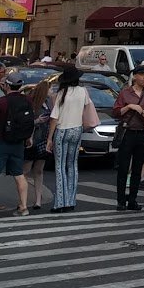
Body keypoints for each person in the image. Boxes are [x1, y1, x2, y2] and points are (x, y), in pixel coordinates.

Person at [46, 66, 95, 212]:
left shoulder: (61, 94)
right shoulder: (83, 91)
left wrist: (50, 138)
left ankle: (60, 202)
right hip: (77, 129)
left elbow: (54, 118)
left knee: (60, 166)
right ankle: (71, 201)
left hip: (62, 130)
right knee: (72, 165)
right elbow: (88, 107)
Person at [113, 61, 144, 211]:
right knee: (123, 167)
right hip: (128, 132)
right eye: (142, 75)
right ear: (135, 76)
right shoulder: (126, 93)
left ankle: (133, 199)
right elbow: (116, 112)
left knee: (137, 168)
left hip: (142, 133)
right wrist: (130, 107)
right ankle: (120, 200)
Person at [0, 72, 33, 214]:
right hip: (19, 142)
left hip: (2, 142)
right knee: (19, 174)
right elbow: (30, 120)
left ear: (7, 85)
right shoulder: (27, 100)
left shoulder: (2, 102)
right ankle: (23, 206)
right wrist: (29, 137)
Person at [25, 78, 53, 211]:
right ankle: (24, 199)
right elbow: (26, 122)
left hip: (43, 139)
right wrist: (37, 121)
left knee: (39, 171)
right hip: (33, 140)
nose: (52, 91)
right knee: (25, 170)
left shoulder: (48, 104)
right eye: (50, 89)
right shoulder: (33, 104)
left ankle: (37, 200)